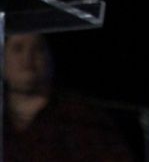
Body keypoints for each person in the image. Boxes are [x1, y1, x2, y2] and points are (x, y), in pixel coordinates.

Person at [2, 33, 135, 162]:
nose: (27, 58)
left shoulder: (81, 117)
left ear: (50, 58)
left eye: (38, 48)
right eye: (18, 49)